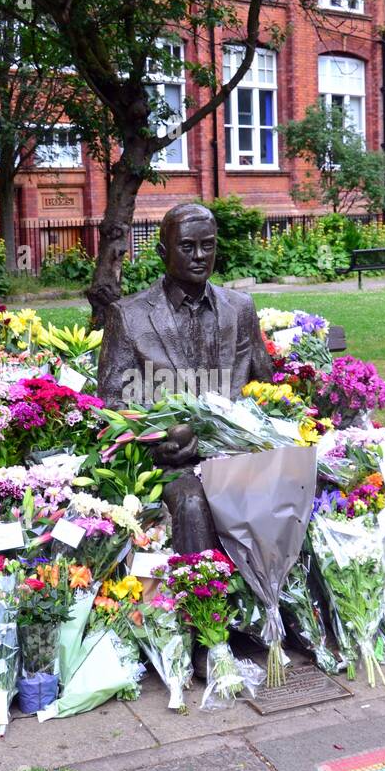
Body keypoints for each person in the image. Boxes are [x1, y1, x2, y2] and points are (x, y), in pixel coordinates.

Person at [96, 202, 272, 552]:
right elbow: (111, 404)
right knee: (193, 503)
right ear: (163, 252)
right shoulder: (129, 316)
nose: (199, 255)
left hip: (239, 451)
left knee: (297, 482)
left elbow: (266, 387)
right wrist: (161, 439)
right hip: (176, 464)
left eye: (208, 245)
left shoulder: (240, 308)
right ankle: (203, 596)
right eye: (187, 246)